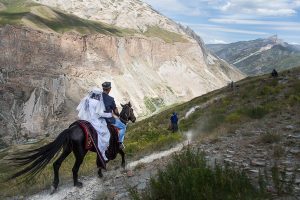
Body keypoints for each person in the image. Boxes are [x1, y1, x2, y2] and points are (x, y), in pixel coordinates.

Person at [76, 88, 112, 161]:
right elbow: (100, 113)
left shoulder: (88, 100)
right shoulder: (97, 102)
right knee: (106, 133)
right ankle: (102, 152)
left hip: (86, 119)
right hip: (94, 120)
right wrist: (110, 114)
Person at [101, 82, 127, 149]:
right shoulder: (110, 99)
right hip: (108, 120)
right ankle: (120, 143)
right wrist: (118, 115)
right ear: (109, 89)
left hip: (99, 118)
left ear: (103, 88)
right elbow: (115, 110)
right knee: (123, 126)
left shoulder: (98, 97)